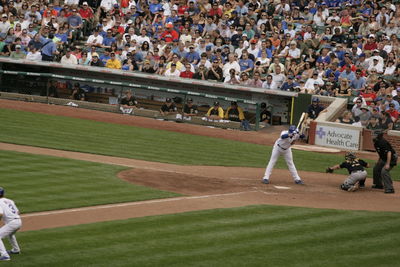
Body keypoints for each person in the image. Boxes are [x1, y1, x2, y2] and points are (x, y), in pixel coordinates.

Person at [0, 187, 22, 261]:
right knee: (10, 234)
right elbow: (18, 212)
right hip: (18, 221)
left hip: (12, 223)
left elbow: (0, 214)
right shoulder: (10, 200)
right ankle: (16, 250)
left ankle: (5, 255)